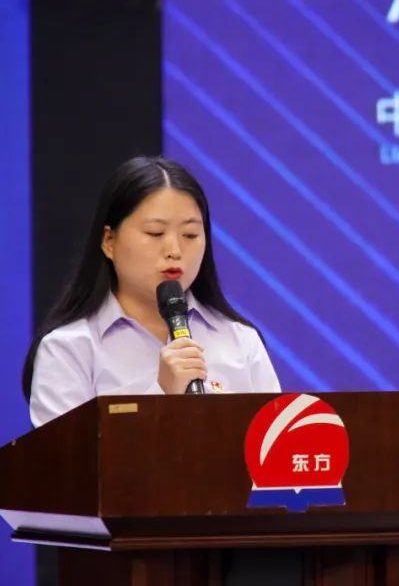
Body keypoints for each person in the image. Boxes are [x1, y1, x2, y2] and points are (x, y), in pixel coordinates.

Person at [23, 155, 280, 426]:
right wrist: (161, 395)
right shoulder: (68, 350)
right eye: (155, 233)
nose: (174, 251)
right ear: (109, 241)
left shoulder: (240, 341)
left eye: (190, 235)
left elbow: (274, 446)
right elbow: (68, 454)